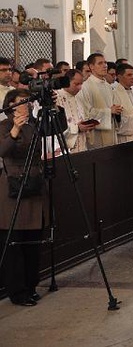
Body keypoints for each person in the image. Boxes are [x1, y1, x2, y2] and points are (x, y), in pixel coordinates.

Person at [0, 90, 48, 306]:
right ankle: (17, 291)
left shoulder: (34, 124)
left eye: (29, 102)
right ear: (10, 105)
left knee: (32, 240)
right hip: (12, 184)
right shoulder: (3, 125)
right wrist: (15, 129)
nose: (27, 105)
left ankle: (31, 285)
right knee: (14, 242)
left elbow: (58, 129)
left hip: (34, 182)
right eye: (22, 102)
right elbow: (2, 150)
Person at [78, 53, 121, 149]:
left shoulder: (108, 86)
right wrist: (109, 111)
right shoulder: (86, 87)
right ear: (92, 67)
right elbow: (87, 113)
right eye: (100, 63)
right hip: (96, 136)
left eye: (105, 62)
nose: (105, 65)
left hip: (111, 133)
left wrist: (117, 110)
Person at [56, 69, 96, 153]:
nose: (80, 87)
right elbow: (56, 128)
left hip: (82, 147)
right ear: (67, 82)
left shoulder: (79, 98)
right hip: (65, 152)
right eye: (76, 84)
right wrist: (77, 128)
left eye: (81, 84)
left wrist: (88, 126)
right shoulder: (56, 98)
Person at [112, 63, 133, 143]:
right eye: (129, 75)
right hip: (125, 138)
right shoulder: (114, 94)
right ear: (120, 77)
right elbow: (116, 121)